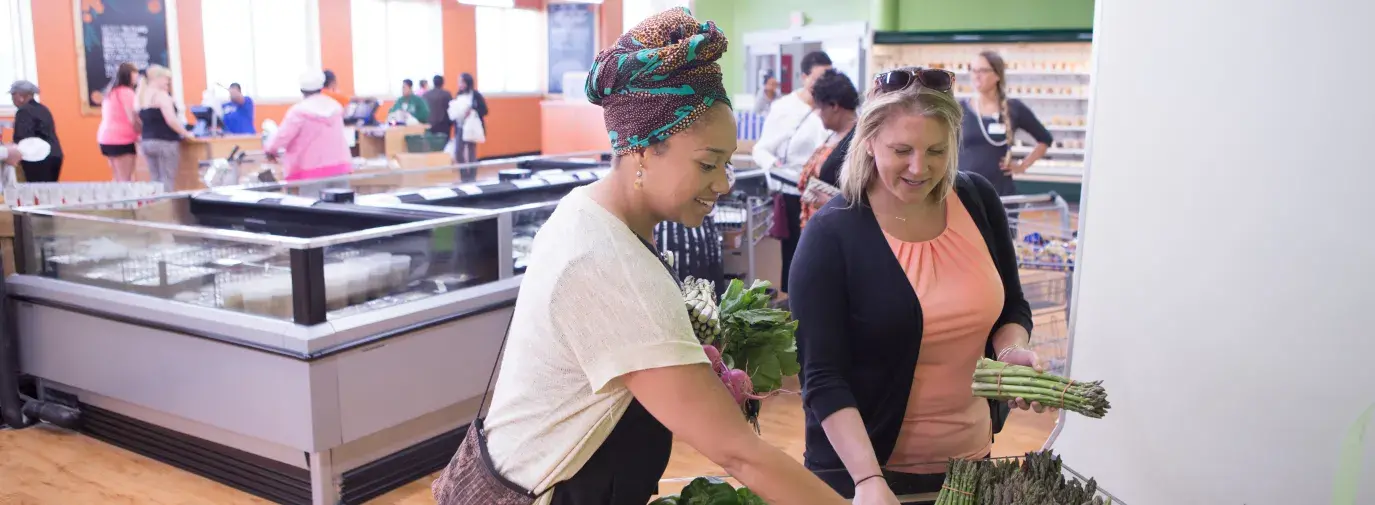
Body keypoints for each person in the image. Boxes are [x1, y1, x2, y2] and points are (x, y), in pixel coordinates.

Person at [431, 8, 848, 505]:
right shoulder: (608, 264)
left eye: (727, 163)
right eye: (707, 164)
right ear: (643, 151)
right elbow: (740, 454)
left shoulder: (585, 210)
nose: (721, 183)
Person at [789, 67, 1045, 503]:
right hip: (867, 474)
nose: (919, 167)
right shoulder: (831, 235)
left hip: (972, 462)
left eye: (936, 151)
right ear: (868, 141)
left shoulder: (978, 201)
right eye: (901, 150)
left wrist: (1010, 350)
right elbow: (823, 377)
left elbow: (1011, 307)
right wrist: (869, 481)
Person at [751, 50, 831, 297]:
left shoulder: (831, 105)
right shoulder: (784, 108)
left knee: (824, 257)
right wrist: (776, 168)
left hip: (825, 193)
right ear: (804, 76)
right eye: (819, 77)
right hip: (793, 192)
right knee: (797, 255)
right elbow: (761, 149)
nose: (824, 83)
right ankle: (793, 310)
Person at [961, 51, 1054, 196]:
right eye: (973, 70)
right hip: (966, 192)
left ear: (997, 75)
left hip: (1001, 195)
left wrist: (1022, 166)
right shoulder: (959, 109)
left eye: (983, 71)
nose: (976, 75)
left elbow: (1045, 139)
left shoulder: (1013, 108)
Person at [263, 71, 352, 183]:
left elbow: (282, 136)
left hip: (310, 171)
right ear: (321, 88)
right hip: (339, 168)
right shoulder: (336, 107)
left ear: (301, 90)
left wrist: (270, 150)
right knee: (340, 200)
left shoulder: (299, 111)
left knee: (312, 200)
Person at [797, 69, 858, 228]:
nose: (818, 114)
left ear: (834, 106)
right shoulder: (834, 136)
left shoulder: (860, 141)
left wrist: (831, 202)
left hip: (837, 229)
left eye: (819, 107)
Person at [136, 65, 195, 192]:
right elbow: (171, 120)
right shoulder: (162, 96)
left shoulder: (141, 96)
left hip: (147, 142)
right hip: (165, 142)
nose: (168, 82)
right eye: (166, 78)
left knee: (155, 180)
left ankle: (157, 208)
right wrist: (186, 133)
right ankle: (167, 209)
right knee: (167, 180)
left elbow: (139, 120)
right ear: (157, 78)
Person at [9, 81, 64, 182]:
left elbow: (22, 138)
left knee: (36, 193)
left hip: (38, 158)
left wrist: (10, 150)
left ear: (20, 95)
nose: (12, 99)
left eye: (13, 95)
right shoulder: (43, 109)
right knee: (49, 192)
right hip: (55, 155)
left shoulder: (24, 111)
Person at [97, 62, 140, 181]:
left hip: (105, 138)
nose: (138, 77)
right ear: (128, 75)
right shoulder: (126, 92)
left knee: (116, 177)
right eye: (135, 73)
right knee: (125, 180)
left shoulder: (110, 92)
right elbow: (132, 118)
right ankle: (126, 200)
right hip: (122, 140)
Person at [447, 72, 487, 163]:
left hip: (471, 126)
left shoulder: (475, 95)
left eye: (462, 82)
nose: (460, 85)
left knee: (471, 152)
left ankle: (471, 176)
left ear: (468, 83)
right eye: (459, 82)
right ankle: (464, 175)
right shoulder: (458, 95)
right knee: (458, 151)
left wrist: (472, 110)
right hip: (460, 126)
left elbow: (484, 110)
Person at [423, 74, 454, 141]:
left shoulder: (426, 95)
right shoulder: (447, 94)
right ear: (443, 83)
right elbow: (451, 110)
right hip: (444, 125)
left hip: (429, 125)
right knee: (444, 146)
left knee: (431, 146)